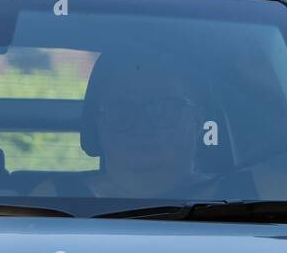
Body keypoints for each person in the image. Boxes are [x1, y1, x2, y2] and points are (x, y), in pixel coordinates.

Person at [37, 47, 220, 200]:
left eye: (163, 109)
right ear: (100, 124)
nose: (142, 127)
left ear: (197, 119)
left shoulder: (239, 201)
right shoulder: (55, 202)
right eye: (122, 111)